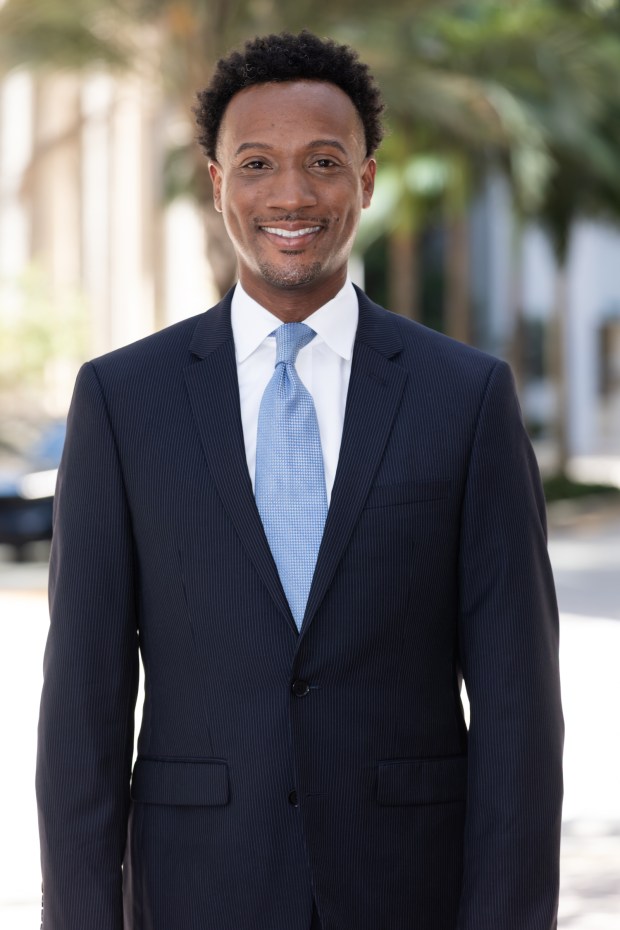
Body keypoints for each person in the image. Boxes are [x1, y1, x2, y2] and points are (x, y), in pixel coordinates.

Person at [36, 30, 564, 930]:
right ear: (215, 182)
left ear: (364, 181)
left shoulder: (465, 396)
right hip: (199, 893)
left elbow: (519, 707)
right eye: (256, 163)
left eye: (324, 161)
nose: (291, 193)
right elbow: (82, 711)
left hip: (407, 891)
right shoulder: (123, 401)